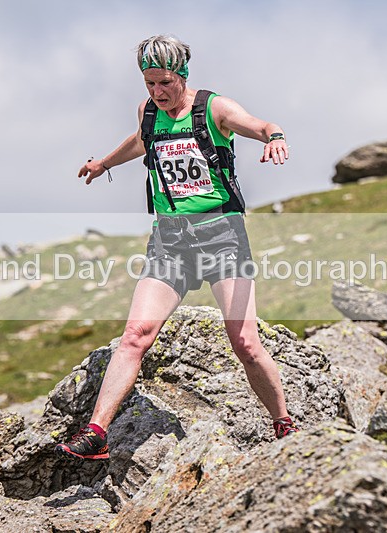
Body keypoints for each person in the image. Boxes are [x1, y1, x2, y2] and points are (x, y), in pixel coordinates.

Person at [55, 35, 296, 461]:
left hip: (222, 236)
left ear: (182, 75)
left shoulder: (214, 109)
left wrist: (274, 137)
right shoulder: (148, 112)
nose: (157, 92)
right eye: (149, 83)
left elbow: (259, 125)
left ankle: (283, 423)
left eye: (165, 82)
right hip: (170, 241)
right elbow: (141, 141)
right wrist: (104, 163)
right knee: (135, 336)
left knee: (244, 342)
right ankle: (96, 433)